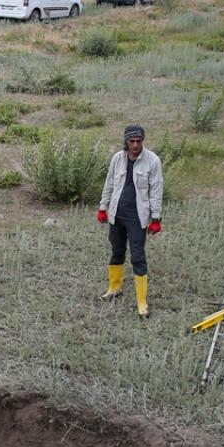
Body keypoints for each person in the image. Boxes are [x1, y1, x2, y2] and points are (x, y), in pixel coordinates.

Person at [96, 124, 163, 318]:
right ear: (126, 141)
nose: (135, 145)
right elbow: (109, 183)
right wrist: (103, 207)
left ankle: (142, 302)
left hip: (137, 218)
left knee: (137, 257)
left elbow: (156, 190)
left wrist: (156, 218)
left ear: (143, 141)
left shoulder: (153, 161)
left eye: (138, 141)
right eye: (131, 141)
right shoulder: (117, 158)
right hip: (116, 215)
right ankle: (114, 288)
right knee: (116, 252)